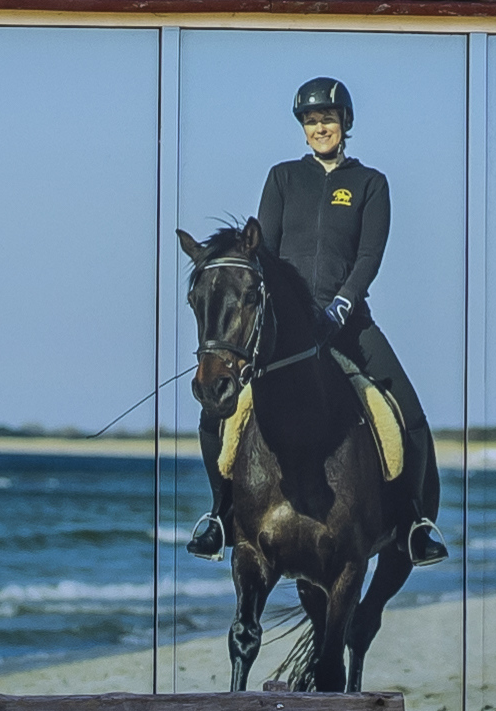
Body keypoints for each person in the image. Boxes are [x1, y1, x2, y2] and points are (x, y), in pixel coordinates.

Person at [189, 74, 448, 579]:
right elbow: (260, 253)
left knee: (409, 415)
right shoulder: (283, 178)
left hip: (348, 322)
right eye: (311, 121)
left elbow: (369, 256)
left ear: (345, 123)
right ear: (303, 128)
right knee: (216, 414)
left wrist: (342, 307)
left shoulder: (371, 183)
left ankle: (414, 521)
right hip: (286, 329)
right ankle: (220, 515)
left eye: (327, 118)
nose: (320, 127)